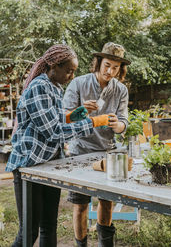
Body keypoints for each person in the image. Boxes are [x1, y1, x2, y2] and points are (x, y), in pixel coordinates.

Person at [5, 44, 110, 247]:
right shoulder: (39, 87)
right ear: (54, 65)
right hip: (29, 167)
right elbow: (53, 132)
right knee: (28, 233)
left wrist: (74, 115)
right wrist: (93, 122)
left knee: (48, 226)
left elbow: (52, 119)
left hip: (48, 166)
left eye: (74, 71)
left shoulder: (54, 87)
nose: (71, 76)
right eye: (69, 70)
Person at [63, 42, 131, 247]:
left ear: (121, 69)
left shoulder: (121, 90)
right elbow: (64, 117)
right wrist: (81, 110)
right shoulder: (79, 84)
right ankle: (81, 244)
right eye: (107, 65)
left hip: (106, 151)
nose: (110, 71)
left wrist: (117, 125)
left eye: (116, 68)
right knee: (81, 204)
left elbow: (124, 123)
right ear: (99, 62)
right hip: (79, 150)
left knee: (106, 202)